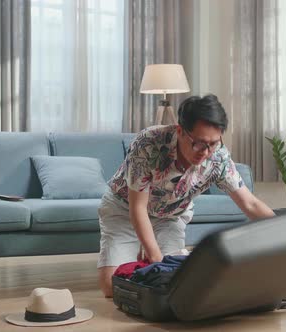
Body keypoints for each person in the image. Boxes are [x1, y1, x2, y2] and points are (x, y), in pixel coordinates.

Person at [97, 94, 275, 297]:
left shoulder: (218, 157)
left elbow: (250, 204)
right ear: (180, 131)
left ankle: (143, 261)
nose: (205, 152)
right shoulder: (149, 143)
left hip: (170, 217)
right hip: (124, 210)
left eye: (214, 143)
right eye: (199, 143)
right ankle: (138, 256)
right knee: (112, 287)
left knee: (175, 283)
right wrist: (156, 259)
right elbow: (138, 208)